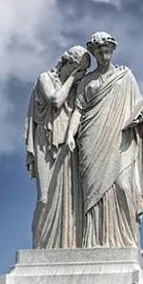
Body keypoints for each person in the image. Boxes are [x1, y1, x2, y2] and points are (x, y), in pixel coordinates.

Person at [66, 31, 143, 248]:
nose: (103, 53)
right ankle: (93, 241)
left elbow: (139, 106)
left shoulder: (125, 76)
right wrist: (70, 135)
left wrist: (141, 116)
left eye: (106, 48)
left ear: (113, 49)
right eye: (99, 50)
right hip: (91, 138)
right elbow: (78, 111)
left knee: (123, 186)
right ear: (93, 52)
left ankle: (126, 240)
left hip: (121, 138)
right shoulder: (87, 81)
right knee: (93, 193)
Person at [25, 45, 90, 248]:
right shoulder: (45, 78)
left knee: (69, 200)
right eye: (79, 69)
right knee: (45, 198)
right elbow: (55, 100)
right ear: (68, 62)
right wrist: (72, 79)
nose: (81, 74)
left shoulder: (76, 87)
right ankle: (39, 246)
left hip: (68, 145)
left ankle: (67, 244)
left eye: (84, 71)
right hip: (46, 141)